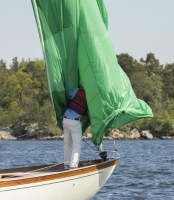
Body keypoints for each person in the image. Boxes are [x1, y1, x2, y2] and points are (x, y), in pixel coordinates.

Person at [63, 87, 88, 169]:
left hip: (65, 120)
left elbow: (68, 93)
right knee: (76, 146)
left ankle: (66, 165)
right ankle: (73, 166)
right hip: (75, 122)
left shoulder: (77, 90)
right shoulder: (92, 96)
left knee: (67, 144)